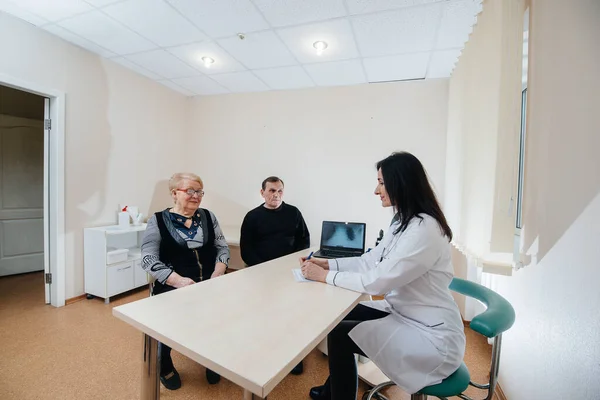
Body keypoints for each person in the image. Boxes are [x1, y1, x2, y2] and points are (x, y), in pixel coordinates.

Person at [300, 152, 466, 400]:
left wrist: (323, 277)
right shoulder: (403, 221)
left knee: (340, 335)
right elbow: (370, 259)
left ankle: (337, 396)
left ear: (401, 182)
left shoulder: (425, 230)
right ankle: (332, 391)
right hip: (407, 313)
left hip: (432, 337)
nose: (376, 190)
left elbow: (377, 282)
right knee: (339, 318)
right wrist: (328, 264)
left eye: (381, 182)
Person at [141, 172, 230, 390]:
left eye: (199, 191)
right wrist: (178, 281)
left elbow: (222, 247)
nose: (195, 195)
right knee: (168, 332)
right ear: (174, 193)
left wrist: (218, 272)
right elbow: (147, 257)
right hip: (172, 287)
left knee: (212, 326)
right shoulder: (159, 220)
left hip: (209, 285)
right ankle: (165, 366)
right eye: (189, 190)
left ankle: (211, 360)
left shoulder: (208, 216)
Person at [240, 176, 310, 375]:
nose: (276, 195)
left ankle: (293, 356)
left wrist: (289, 265)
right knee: (264, 315)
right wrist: (265, 269)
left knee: (291, 314)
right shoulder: (252, 217)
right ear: (262, 193)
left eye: (280, 191)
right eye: (272, 191)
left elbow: (304, 240)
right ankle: (264, 351)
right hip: (260, 273)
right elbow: (246, 250)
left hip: (288, 273)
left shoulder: (293, 213)